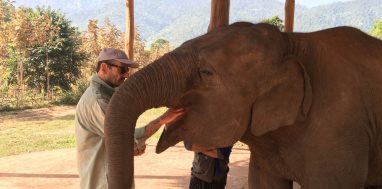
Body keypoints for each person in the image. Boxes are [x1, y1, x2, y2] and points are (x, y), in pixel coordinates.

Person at [74, 48, 184, 189]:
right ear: (104, 67)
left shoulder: (107, 95)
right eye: (122, 69)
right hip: (103, 183)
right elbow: (126, 141)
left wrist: (132, 146)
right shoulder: (99, 101)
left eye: (127, 70)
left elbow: (123, 139)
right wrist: (160, 121)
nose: (126, 75)